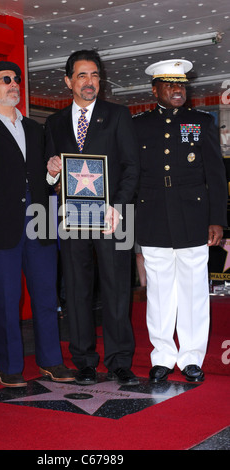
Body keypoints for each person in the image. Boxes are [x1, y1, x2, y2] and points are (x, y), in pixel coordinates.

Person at [0, 61, 75, 387]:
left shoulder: (37, 129)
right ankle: (10, 366)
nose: (13, 84)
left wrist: (52, 171)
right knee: (7, 300)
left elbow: (45, 179)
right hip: (0, 228)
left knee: (45, 297)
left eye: (16, 80)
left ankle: (52, 361)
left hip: (41, 223)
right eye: (5, 80)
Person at [45, 50, 140, 386]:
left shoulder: (118, 115)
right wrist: (51, 171)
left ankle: (119, 362)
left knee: (117, 290)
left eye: (95, 75)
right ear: (68, 80)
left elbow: (131, 167)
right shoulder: (54, 123)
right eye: (82, 76)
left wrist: (118, 205)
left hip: (113, 216)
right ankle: (84, 361)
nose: (90, 82)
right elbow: (50, 176)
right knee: (77, 289)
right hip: (72, 217)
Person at [133, 59, 228, 383]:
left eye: (182, 85)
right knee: (159, 293)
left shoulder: (201, 121)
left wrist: (217, 219)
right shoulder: (139, 125)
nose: (178, 90)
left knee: (193, 292)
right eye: (170, 84)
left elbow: (215, 174)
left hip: (193, 216)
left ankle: (191, 358)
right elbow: (132, 174)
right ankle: (162, 357)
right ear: (154, 89)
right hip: (154, 215)